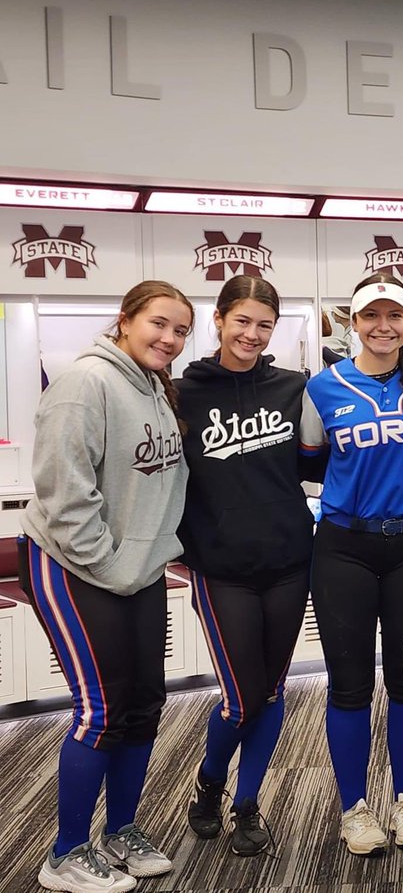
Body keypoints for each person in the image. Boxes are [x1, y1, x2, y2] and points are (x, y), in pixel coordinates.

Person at [18, 281, 194, 893]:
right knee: (100, 709)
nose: (169, 339)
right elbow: (67, 499)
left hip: (135, 571)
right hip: (73, 566)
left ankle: (121, 831)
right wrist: (116, 568)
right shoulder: (83, 384)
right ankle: (64, 853)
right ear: (125, 320)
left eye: (179, 331)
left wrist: (152, 560)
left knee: (145, 705)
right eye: (158, 325)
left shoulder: (151, 386)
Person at [174, 276, 324, 856]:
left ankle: (247, 802)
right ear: (218, 320)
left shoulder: (294, 387)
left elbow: (318, 463)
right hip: (221, 569)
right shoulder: (182, 393)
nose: (252, 334)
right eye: (242, 321)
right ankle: (211, 782)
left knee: (272, 689)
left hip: (289, 560)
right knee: (241, 696)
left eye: (264, 325)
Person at [300, 272, 403, 855]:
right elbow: (311, 461)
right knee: (349, 684)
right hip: (344, 547)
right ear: (352, 322)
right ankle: (354, 808)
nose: (382, 327)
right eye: (371, 317)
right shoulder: (323, 386)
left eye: (394, 317)